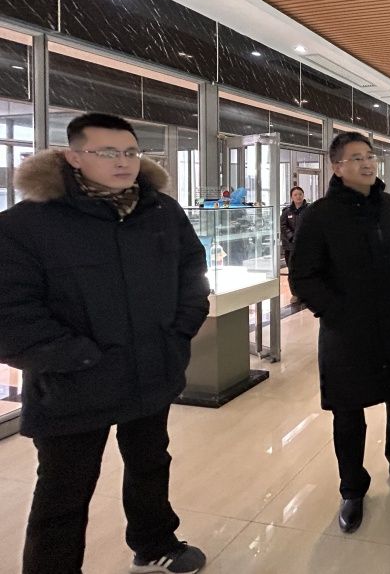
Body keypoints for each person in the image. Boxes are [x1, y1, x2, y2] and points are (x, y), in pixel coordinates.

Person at [0, 112, 210, 574]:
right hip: (72, 382)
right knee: (63, 491)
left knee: (150, 463)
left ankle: (154, 542)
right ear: (74, 156)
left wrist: (179, 331)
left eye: (131, 151)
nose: (123, 162)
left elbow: (193, 271)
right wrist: (75, 356)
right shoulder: (27, 223)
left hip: (152, 366)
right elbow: (10, 312)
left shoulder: (160, 211)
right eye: (108, 152)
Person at [290, 132, 390, 535]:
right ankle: (352, 488)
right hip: (346, 332)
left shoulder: (389, 206)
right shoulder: (320, 215)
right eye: (356, 158)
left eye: (370, 156)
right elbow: (303, 276)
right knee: (348, 412)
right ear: (337, 167)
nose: (368, 163)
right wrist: (337, 312)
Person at [280, 185, 308, 303]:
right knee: (292, 271)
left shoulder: (310, 210)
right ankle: (295, 293)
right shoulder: (287, 211)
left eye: (300, 194)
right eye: (295, 195)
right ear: (291, 197)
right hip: (290, 247)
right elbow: (283, 226)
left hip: (306, 246)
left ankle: (307, 293)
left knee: (306, 270)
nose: (298, 197)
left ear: (303, 195)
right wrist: (292, 236)